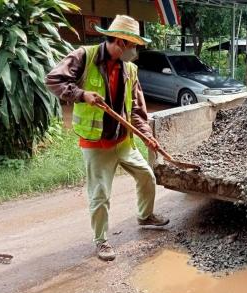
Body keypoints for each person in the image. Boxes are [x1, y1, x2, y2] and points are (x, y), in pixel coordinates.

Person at [46, 15, 169, 261]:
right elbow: (53, 79)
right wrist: (81, 94)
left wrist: (146, 136)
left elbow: (135, 109)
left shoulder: (130, 69)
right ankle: (101, 241)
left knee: (146, 175)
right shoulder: (85, 56)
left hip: (122, 140)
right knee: (100, 195)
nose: (134, 51)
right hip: (96, 144)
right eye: (133, 46)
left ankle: (145, 216)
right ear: (121, 42)